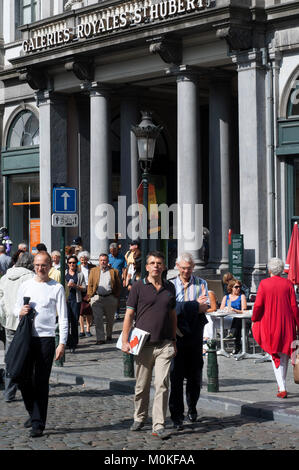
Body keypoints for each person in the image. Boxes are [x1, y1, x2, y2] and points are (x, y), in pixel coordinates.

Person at [122, 251, 177, 440]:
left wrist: (174, 340)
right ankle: (140, 416)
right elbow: (129, 315)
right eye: (152, 263)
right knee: (141, 386)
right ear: (146, 267)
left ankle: (158, 424)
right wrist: (124, 340)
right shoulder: (138, 287)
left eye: (159, 263)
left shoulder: (170, 287)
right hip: (143, 345)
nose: (156, 266)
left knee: (162, 384)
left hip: (164, 344)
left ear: (163, 267)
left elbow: (172, 315)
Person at [14, 251, 68, 438]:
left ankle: (38, 423)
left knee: (41, 382)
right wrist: (20, 310)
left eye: (44, 265)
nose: (40, 268)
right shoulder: (26, 285)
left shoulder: (57, 288)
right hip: (27, 337)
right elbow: (15, 307)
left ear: (50, 266)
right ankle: (33, 412)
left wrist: (61, 343)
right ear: (33, 266)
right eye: (37, 265)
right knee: (22, 378)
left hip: (46, 339)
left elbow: (63, 317)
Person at [169, 253, 209, 430]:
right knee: (175, 377)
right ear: (177, 266)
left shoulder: (201, 283)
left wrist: (182, 307)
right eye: (183, 268)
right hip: (175, 335)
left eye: (189, 268)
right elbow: (169, 308)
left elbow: (205, 307)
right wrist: (193, 305)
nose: (186, 271)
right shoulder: (170, 285)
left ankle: (192, 407)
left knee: (195, 376)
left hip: (194, 334)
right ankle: (176, 416)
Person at [252, 257, 299, 399]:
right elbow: (294, 306)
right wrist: (298, 323)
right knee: (284, 354)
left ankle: (282, 386)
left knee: (275, 355)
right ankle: (282, 385)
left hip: (271, 323)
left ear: (269, 269)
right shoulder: (288, 284)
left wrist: (254, 318)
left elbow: (258, 305)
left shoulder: (264, 284)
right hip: (287, 323)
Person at [0, 252, 35, 402]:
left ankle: (9, 392)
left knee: (10, 357)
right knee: (28, 357)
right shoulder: (31, 278)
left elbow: (1, 301)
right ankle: (29, 390)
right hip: (26, 324)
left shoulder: (4, 277)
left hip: (9, 322)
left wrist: (5, 317)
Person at [88, 253, 121, 344]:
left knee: (110, 319)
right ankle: (100, 338)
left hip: (110, 298)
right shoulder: (93, 271)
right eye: (101, 260)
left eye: (104, 260)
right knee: (98, 319)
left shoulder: (114, 271)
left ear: (107, 261)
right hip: (97, 298)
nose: (103, 262)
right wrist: (90, 296)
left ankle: (109, 334)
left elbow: (118, 285)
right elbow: (90, 284)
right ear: (99, 261)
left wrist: (116, 296)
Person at [65, 255, 86, 353]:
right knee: (66, 322)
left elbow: (84, 288)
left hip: (75, 300)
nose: (72, 264)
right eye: (70, 263)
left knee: (74, 321)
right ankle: (66, 341)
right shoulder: (64, 273)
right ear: (67, 264)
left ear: (76, 263)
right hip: (65, 300)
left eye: (73, 262)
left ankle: (73, 343)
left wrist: (75, 286)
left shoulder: (80, 274)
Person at [221, 279, 247, 354]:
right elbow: (221, 309)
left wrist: (235, 310)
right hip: (227, 318)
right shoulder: (226, 297)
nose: (238, 288)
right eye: (236, 287)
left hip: (238, 318)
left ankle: (232, 335)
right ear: (231, 288)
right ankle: (236, 343)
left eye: (239, 287)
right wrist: (225, 309)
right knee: (237, 321)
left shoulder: (242, 296)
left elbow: (244, 310)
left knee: (238, 318)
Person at [77, 251, 95, 338]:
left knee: (88, 310)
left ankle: (88, 328)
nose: (84, 262)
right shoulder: (77, 267)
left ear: (88, 259)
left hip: (89, 289)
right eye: (82, 260)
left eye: (85, 260)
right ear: (80, 260)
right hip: (80, 289)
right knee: (80, 311)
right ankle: (81, 330)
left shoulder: (92, 267)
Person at [108, 242, 127, 320]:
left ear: (117, 250)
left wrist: (125, 279)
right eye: (111, 251)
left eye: (114, 251)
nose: (112, 253)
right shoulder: (108, 257)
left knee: (117, 297)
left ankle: (116, 312)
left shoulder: (121, 257)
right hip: (108, 279)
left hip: (118, 279)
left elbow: (124, 268)